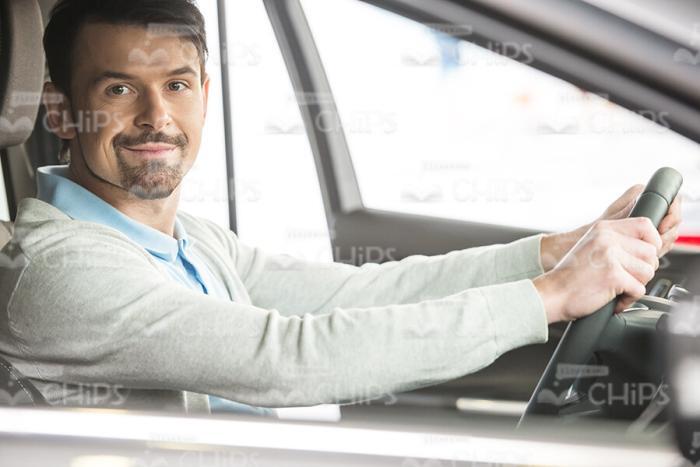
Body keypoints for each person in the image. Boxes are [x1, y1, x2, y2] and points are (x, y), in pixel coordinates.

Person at [0, 0, 681, 414]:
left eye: (176, 84)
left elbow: (357, 291)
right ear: (61, 110)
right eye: (119, 90)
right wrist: (550, 297)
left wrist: (557, 252)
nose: (157, 116)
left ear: (205, 92)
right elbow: (289, 357)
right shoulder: (58, 271)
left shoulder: (188, 240)